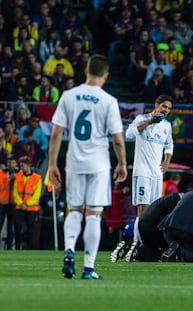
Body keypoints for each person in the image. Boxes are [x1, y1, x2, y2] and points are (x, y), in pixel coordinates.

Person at [48, 54, 128, 280]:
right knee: (93, 215)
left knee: (74, 210)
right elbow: (118, 138)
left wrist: (53, 164)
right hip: (99, 164)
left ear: (85, 71)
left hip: (74, 162)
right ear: (106, 75)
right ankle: (89, 268)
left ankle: (69, 251)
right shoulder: (108, 100)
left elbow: (56, 133)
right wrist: (122, 163)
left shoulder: (68, 96)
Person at [124, 94, 174, 260]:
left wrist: (167, 161)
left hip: (156, 174)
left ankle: (149, 246)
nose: (166, 110)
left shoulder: (167, 126)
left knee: (154, 212)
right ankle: (136, 244)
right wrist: (149, 122)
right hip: (142, 172)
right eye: (164, 107)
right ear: (156, 105)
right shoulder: (141, 118)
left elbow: (169, 144)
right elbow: (129, 134)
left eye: (168, 108)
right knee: (142, 210)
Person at [13, 156, 42, 250]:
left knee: (30, 230)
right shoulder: (17, 176)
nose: (21, 167)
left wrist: (26, 204)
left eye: (23, 165)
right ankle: (17, 247)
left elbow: (37, 194)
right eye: (20, 165)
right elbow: (15, 192)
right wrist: (21, 204)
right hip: (20, 208)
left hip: (31, 209)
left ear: (29, 165)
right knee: (18, 228)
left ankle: (29, 248)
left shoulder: (37, 178)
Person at [0, 155, 18, 249]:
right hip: (2, 203)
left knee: (11, 226)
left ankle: (10, 247)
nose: (11, 164)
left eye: (13, 162)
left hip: (13, 203)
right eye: (9, 162)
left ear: (16, 163)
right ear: (7, 163)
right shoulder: (2, 173)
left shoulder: (19, 174)